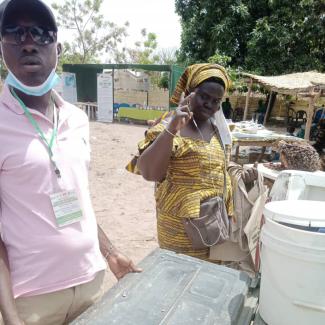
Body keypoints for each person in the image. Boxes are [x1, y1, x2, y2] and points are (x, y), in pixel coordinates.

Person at [0, 1, 140, 324]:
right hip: (33, 301)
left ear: (58, 49)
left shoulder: (77, 119)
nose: (29, 42)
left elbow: (79, 201)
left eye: (40, 33)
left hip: (90, 283)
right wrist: (10, 316)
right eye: (15, 33)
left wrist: (111, 252)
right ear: (2, 46)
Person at [133, 63, 234, 261]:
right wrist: (172, 129)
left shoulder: (219, 130)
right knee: (178, 278)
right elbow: (149, 173)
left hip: (214, 226)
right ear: (189, 92)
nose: (210, 105)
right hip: (179, 229)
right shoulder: (169, 126)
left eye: (216, 101)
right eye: (204, 96)